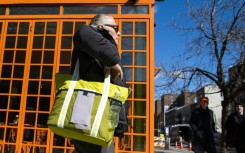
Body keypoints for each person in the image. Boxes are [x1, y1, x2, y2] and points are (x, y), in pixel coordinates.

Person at [70, 14, 128, 153]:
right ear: (101, 28)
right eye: (115, 28)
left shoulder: (105, 51)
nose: (119, 33)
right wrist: (113, 61)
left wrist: (117, 125)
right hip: (90, 120)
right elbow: (83, 32)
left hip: (101, 123)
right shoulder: (88, 36)